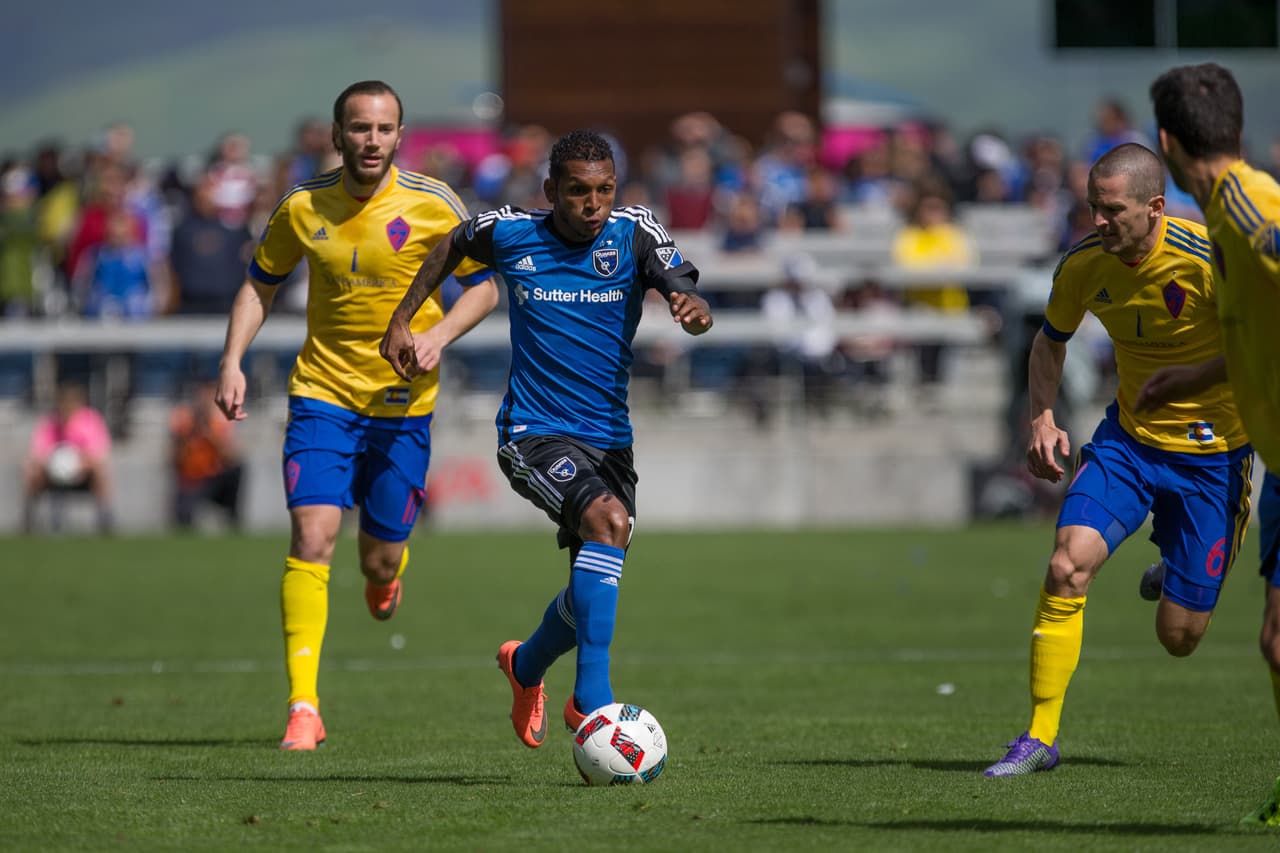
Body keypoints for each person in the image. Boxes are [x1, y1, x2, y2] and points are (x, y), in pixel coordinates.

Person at [380, 129, 713, 748]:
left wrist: (688, 303)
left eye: (605, 190)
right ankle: (594, 703)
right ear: (551, 191)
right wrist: (403, 318)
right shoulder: (510, 231)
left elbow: (678, 279)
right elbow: (450, 244)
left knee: (592, 579)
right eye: (580, 192)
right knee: (608, 524)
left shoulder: (634, 230)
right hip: (533, 434)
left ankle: (526, 665)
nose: (594, 204)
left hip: (610, 440)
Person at [214, 80, 497, 751]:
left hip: (404, 408)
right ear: (337, 136)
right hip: (322, 396)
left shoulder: (435, 205)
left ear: (401, 136)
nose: (372, 140)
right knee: (313, 538)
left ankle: (386, 577)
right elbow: (259, 284)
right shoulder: (303, 206)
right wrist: (230, 360)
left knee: (377, 560)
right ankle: (304, 706)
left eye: (384, 128)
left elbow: (483, 291)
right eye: (359, 128)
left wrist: (436, 337)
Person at [984, 143, 1252, 777]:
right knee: (1066, 565)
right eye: (1091, 208)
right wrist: (1042, 419)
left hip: (1214, 464)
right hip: (1128, 446)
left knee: (1179, 639)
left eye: (1112, 210)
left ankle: (1174, 567)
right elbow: (1050, 345)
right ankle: (1039, 738)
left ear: (1155, 208)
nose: (1098, 221)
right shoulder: (1083, 264)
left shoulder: (1210, 261)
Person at [1148, 63, 1280, 824]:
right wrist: (1193, 375)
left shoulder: (1250, 209)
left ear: (1165, 143)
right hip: (1278, 457)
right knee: (1277, 643)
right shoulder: (1224, 216)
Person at [22, 380, 115, 534]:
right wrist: (51, 463)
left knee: (100, 472)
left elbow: (99, 454)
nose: (67, 408)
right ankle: (28, 519)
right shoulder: (50, 422)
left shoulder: (91, 421)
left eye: (71, 403)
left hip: (83, 473)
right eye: (63, 403)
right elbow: (37, 453)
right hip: (51, 473)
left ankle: (105, 518)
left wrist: (80, 464)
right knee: (31, 473)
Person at [170, 380, 244, 530]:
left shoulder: (220, 422)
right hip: (192, 479)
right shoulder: (184, 422)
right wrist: (187, 438)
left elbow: (231, 456)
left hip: (214, 478)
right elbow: (174, 457)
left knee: (237, 471)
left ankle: (233, 516)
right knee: (183, 520)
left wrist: (211, 436)